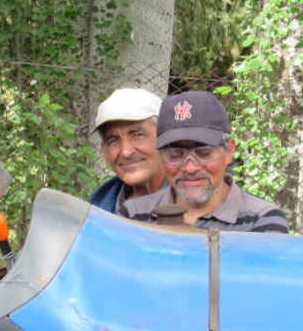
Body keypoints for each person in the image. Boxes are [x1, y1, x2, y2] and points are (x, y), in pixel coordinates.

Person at [120, 91, 289, 233]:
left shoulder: (261, 221)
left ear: (229, 151)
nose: (190, 167)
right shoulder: (133, 215)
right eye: (175, 154)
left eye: (204, 152)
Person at [88, 88, 167, 212]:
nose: (126, 152)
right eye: (113, 140)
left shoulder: (195, 204)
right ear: (104, 152)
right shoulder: (99, 209)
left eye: (138, 135)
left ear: (166, 138)